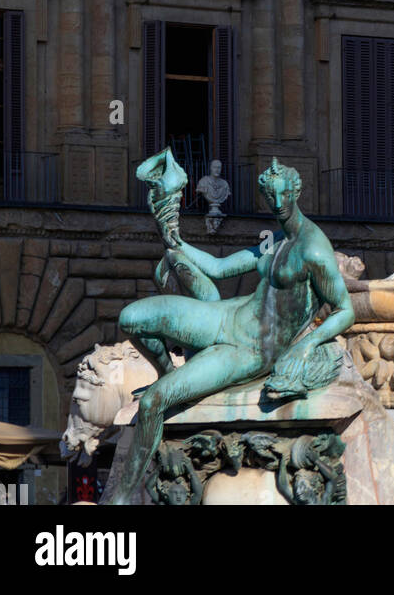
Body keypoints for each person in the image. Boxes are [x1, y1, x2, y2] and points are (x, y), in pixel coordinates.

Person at [105, 158, 354, 504]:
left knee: (152, 402)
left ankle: (120, 497)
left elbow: (346, 310)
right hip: (227, 315)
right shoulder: (277, 241)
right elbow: (221, 268)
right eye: (271, 197)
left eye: (283, 196)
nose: (278, 204)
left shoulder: (313, 248)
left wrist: (305, 347)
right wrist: (176, 242)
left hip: (249, 351)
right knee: (131, 318)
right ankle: (170, 374)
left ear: (296, 192)